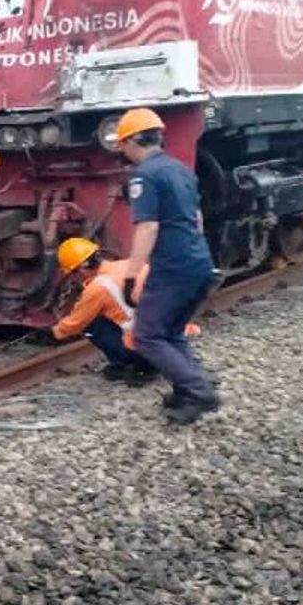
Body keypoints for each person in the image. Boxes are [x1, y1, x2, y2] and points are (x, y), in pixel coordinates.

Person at [112, 108, 219, 425]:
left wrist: (132, 275)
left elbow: (148, 228)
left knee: (147, 336)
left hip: (173, 267)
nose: (122, 151)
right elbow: (197, 218)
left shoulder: (145, 176)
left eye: (122, 144)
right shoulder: (180, 169)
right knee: (170, 331)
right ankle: (190, 387)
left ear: (132, 140)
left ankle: (200, 392)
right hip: (197, 261)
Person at [51, 238, 157, 385]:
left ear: (82, 268)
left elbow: (76, 323)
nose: (75, 277)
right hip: (167, 335)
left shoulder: (98, 287)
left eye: (74, 272)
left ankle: (140, 366)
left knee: (91, 325)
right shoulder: (130, 265)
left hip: (146, 346)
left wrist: (56, 332)